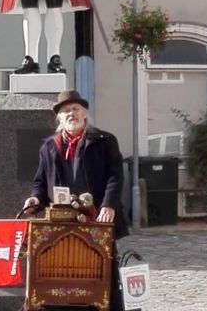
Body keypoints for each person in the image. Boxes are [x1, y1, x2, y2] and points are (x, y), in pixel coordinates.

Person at [23, 89, 128, 311]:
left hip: (97, 218)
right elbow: (41, 182)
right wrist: (34, 199)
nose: (71, 113)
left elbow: (116, 176)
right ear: (59, 118)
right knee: (60, 272)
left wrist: (109, 205)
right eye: (65, 111)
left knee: (103, 274)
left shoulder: (105, 141)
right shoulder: (48, 147)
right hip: (62, 222)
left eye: (75, 109)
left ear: (85, 114)